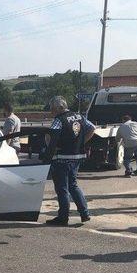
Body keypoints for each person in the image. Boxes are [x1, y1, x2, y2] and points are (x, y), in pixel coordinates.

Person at [44, 96, 95, 226]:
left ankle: (63, 217)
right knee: (73, 185)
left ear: (59, 108)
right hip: (77, 156)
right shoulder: (79, 116)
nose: (51, 112)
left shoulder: (59, 120)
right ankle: (85, 213)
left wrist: (50, 149)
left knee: (62, 189)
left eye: (52, 109)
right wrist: (81, 142)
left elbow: (51, 135)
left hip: (61, 158)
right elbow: (92, 128)